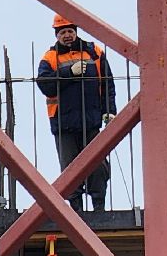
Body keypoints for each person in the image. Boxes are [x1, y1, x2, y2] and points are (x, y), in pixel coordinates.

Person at [37, 13, 116, 212]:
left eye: (70, 31)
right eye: (63, 32)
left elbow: (107, 84)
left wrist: (109, 111)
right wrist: (68, 73)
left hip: (90, 121)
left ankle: (99, 206)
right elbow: (45, 85)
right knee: (70, 169)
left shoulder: (94, 52)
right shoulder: (50, 58)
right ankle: (76, 209)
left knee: (97, 166)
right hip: (64, 124)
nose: (67, 35)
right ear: (57, 35)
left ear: (76, 32)